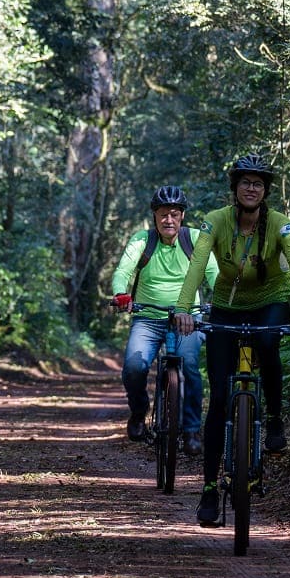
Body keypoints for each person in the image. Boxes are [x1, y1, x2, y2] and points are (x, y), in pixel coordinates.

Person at [173, 154, 290, 526]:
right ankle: (209, 489)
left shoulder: (279, 225)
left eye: (258, 183)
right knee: (220, 400)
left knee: (269, 344)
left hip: (271, 300)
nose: (251, 188)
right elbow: (196, 265)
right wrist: (183, 308)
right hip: (226, 304)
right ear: (235, 189)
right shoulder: (216, 221)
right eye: (245, 182)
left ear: (266, 190)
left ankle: (273, 419)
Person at [109, 186, 219, 455]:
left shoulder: (194, 239)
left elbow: (215, 272)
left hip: (188, 318)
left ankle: (192, 429)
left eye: (174, 214)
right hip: (148, 318)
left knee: (190, 365)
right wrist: (121, 294)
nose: (168, 220)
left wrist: (223, 302)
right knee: (134, 366)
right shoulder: (142, 240)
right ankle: (138, 411)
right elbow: (123, 270)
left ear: (182, 216)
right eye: (162, 214)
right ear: (154, 217)